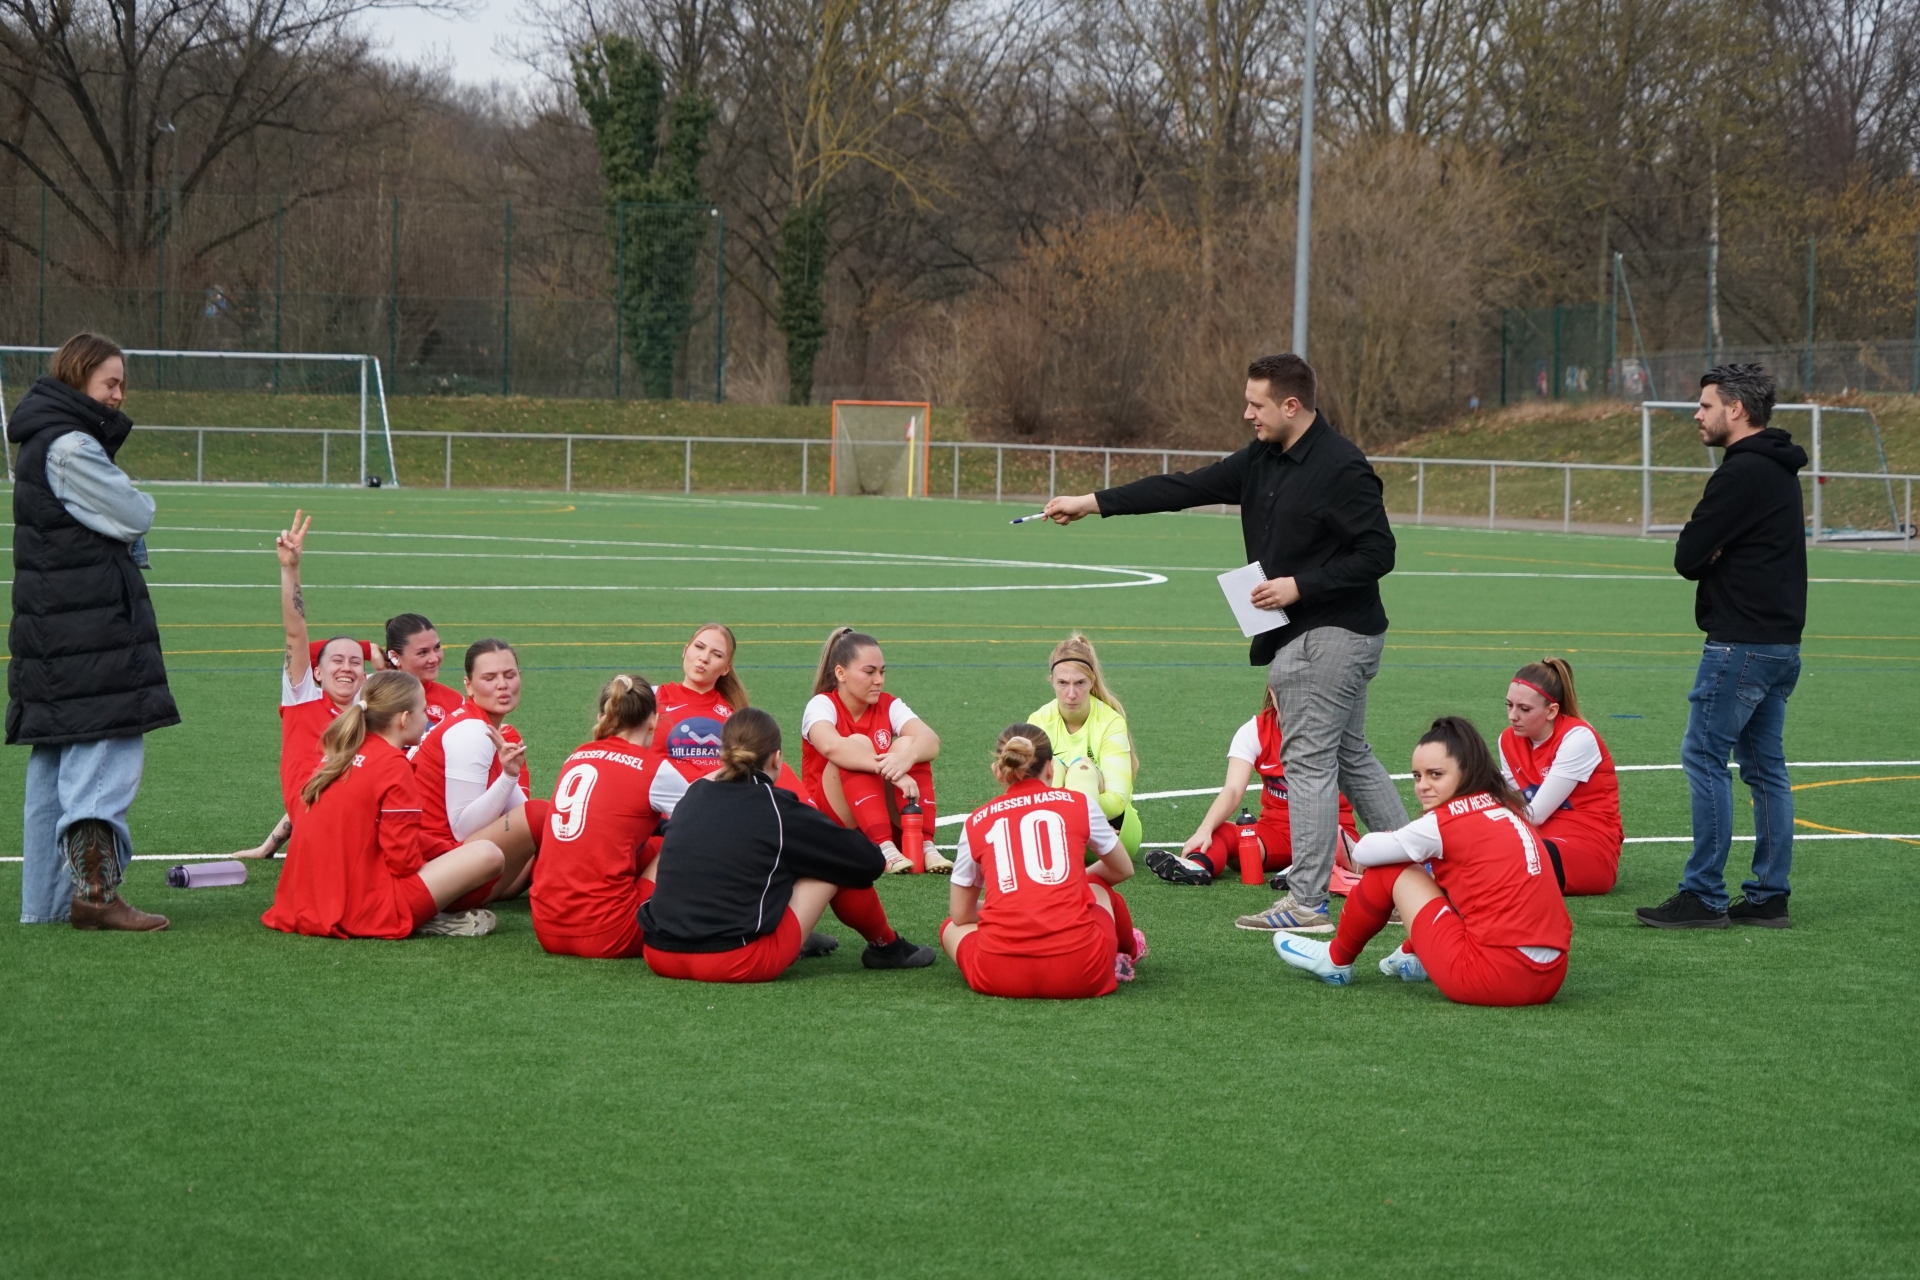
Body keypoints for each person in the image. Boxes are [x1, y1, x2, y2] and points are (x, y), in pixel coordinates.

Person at [1042, 353, 1407, 934]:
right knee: (1349, 757)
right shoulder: (1263, 458)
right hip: (1307, 636)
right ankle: (1416, 880)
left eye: (1257, 404)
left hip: (1331, 637)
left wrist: (1299, 585)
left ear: (1292, 405)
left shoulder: (1341, 466)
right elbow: (1184, 487)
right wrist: (1091, 502)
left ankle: (1307, 904)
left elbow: (1379, 552)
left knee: (1310, 763)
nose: (1247, 414)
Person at [9, 332, 179, 929]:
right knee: (103, 752)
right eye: (110, 382)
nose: (118, 394)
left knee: (54, 765)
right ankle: (98, 897)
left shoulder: (42, 438)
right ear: (77, 377)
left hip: (54, 632)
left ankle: (46, 906)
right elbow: (135, 512)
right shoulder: (71, 445)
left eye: (121, 384)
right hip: (89, 631)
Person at [1638, 365, 1807, 931]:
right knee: (1765, 769)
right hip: (1780, 645)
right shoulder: (1780, 469)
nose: (1697, 414)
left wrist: (1713, 553)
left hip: (1740, 645)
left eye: (1706, 405)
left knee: (1704, 757)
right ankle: (1768, 896)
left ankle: (1704, 894)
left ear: (1736, 409)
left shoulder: (1741, 473)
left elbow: (1688, 555)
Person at [1273, 717, 1572, 1007]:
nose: (1422, 786)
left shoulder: (1444, 821)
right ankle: (1411, 955)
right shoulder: (1507, 808)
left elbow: (1363, 853)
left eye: (1435, 774)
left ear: (1467, 772)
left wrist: (1395, 839)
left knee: (1392, 869)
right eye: (1417, 776)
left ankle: (1335, 959)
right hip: (1550, 976)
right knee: (1452, 878)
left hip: (1493, 978)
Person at [639, 709, 937, 982]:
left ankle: (791, 929)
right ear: (776, 758)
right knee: (832, 860)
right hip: (734, 959)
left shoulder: (692, 795)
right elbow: (868, 862)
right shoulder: (777, 808)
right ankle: (887, 947)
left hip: (658, 952)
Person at [263, 671, 507, 939]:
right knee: (488, 854)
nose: (427, 719)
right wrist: (450, 865)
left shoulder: (341, 754)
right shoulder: (392, 764)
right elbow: (403, 862)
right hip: (362, 908)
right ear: (404, 719)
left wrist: (446, 851)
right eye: (423, 711)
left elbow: (372, 834)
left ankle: (424, 913)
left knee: (461, 853)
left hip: (301, 902)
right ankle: (423, 917)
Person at [942, 725, 1140, 998]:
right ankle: (1130, 951)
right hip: (1081, 973)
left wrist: (1016, 906)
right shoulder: (1080, 803)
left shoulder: (976, 821)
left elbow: (961, 914)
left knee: (950, 927)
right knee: (1097, 887)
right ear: (1050, 768)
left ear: (997, 770)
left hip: (999, 976)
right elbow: (1122, 868)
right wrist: (1072, 887)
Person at [234, 511, 377, 861]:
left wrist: (269, 846)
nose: (347, 668)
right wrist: (290, 569)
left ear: (364, 675)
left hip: (352, 823)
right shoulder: (302, 697)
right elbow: (296, 631)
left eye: (355, 662)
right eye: (337, 661)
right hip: (330, 825)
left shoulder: (368, 712)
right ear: (317, 673)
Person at [531, 675, 690, 959]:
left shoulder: (576, 756)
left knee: (645, 843)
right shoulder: (654, 769)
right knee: (683, 840)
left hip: (546, 929)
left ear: (603, 717)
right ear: (653, 721)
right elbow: (706, 822)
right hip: (611, 934)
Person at [1147, 688, 1359, 888]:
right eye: (1284, 691)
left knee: (1336, 840)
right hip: (1276, 833)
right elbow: (1232, 790)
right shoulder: (1255, 731)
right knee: (1225, 831)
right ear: (1272, 691)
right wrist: (1205, 828)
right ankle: (1196, 865)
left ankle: (1307, 870)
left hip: (1328, 829)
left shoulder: (1333, 731)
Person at [411, 639, 549, 905]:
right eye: (489, 678)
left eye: (509, 675)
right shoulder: (471, 731)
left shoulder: (484, 727)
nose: (502, 685)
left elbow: (524, 814)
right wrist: (509, 777)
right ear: (468, 686)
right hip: (441, 871)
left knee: (553, 826)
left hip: (457, 863)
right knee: (542, 815)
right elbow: (463, 828)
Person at [801, 627, 950, 874]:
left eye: (882, 672)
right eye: (869, 672)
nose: (879, 680)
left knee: (909, 744)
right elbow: (831, 746)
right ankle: (884, 849)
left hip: (878, 818)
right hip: (832, 827)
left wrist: (905, 759)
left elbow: (930, 740)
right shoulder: (821, 704)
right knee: (856, 743)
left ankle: (925, 845)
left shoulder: (888, 704)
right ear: (840, 673)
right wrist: (891, 770)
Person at [1498, 658, 1622, 896]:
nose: (1513, 716)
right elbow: (1516, 801)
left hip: (1588, 848)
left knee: (1501, 855)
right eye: (1509, 705)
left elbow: (1534, 814)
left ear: (1552, 711)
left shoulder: (1578, 738)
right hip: (1538, 839)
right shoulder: (1507, 740)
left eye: (1524, 709)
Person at [651, 622, 807, 796]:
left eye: (717, 654)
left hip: (721, 797)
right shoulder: (651, 697)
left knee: (780, 768)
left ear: (726, 668)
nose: (704, 658)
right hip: (664, 800)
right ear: (685, 650)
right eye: (699, 647)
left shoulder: (736, 714)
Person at [1027, 633, 1144, 857]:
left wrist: (1068, 812)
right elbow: (1029, 795)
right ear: (1051, 680)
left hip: (1111, 836)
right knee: (1055, 767)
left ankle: (1075, 832)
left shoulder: (1110, 721)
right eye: (1063, 683)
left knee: (1082, 769)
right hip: (1057, 837)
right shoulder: (1038, 721)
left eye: (1080, 683)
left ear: (1092, 681)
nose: (1071, 694)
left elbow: (1116, 802)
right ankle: (1072, 832)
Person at [385, 613, 464, 726]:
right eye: (423, 652)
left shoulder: (455, 701)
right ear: (395, 657)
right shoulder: (373, 697)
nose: (434, 659)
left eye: (437, 647)